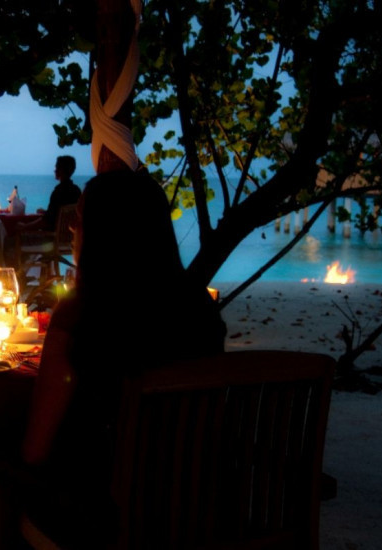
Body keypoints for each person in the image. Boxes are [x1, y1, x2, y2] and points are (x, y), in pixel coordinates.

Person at [13, 168, 228, 548]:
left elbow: (35, 451)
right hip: (193, 514)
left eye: (80, 219)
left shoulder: (80, 316)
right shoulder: (201, 311)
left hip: (104, 523)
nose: (72, 228)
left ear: (104, 234)